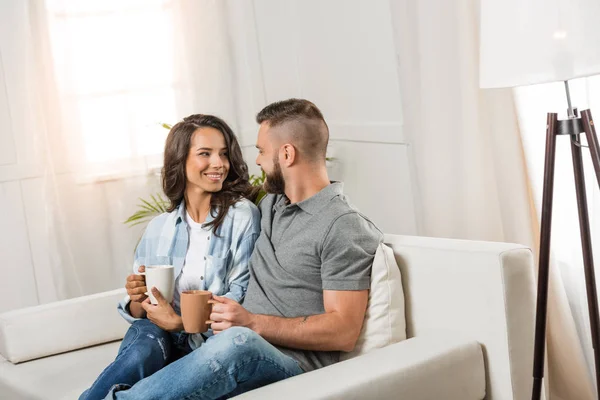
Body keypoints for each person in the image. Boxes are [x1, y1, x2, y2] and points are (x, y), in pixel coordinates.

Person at [102, 99, 383, 400]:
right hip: (232, 345)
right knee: (160, 338)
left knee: (238, 341)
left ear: (287, 154)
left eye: (262, 151)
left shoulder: (342, 226)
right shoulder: (273, 205)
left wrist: (252, 322)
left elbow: (344, 331)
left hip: (291, 364)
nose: (258, 162)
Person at [80, 114, 260, 400]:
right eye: (205, 154)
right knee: (144, 346)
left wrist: (180, 323)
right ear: (180, 160)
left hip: (207, 346)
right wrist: (139, 297)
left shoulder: (242, 217)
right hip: (157, 339)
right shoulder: (159, 227)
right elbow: (142, 312)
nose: (219, 164)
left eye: (224, 154)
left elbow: (240, 297)